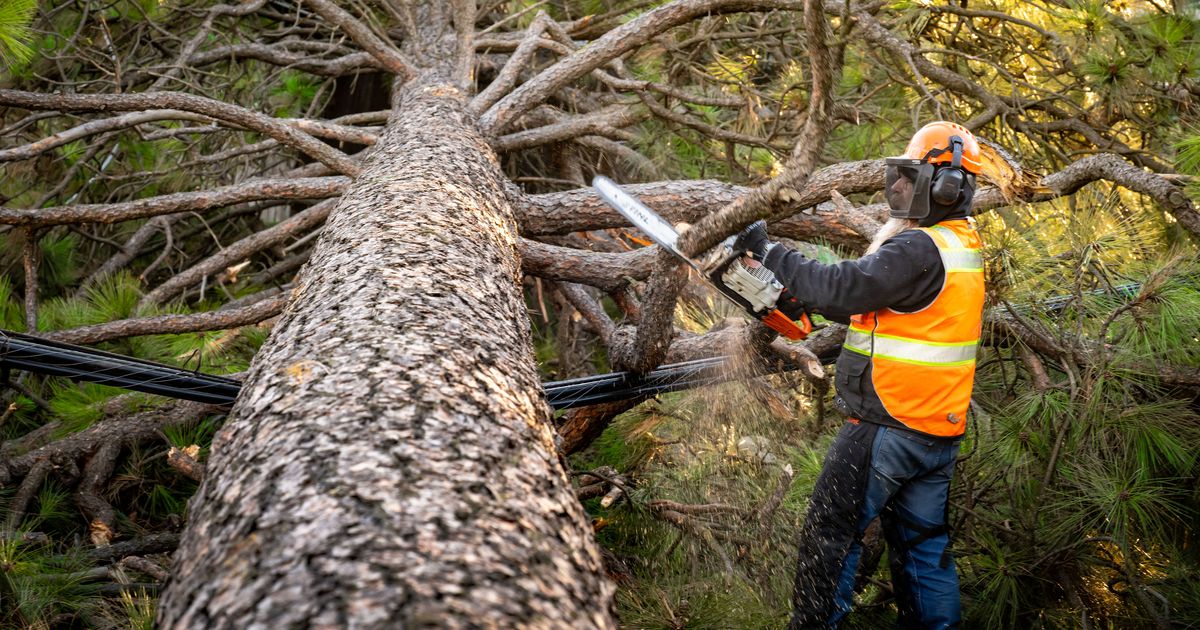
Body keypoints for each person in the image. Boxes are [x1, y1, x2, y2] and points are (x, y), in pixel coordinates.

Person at [733, 121, 986, 629]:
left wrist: (769, 253)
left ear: (947, 185)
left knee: (830, 536)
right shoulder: (963, 245)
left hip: (887, 425)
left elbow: (844, 290)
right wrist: (797, 295)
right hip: (936, 433)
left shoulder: (922, 248)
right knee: (923, 547)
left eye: (915, 176)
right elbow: (885, 307)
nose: (901, 187)